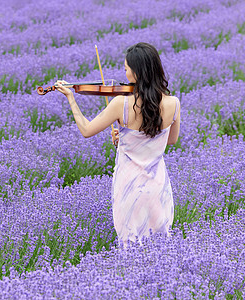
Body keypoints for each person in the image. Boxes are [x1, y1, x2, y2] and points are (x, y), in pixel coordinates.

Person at [55, 42, 180, 249]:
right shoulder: (173, 103)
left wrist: (71, 98)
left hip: (129, 187)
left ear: (136, 73)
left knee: (129, 247)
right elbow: (171, 139)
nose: (124, 73)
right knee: (160, 248)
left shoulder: (120, 104)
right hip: (158, 187)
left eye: (126, 69)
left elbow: (86, 130)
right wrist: (128, 139)